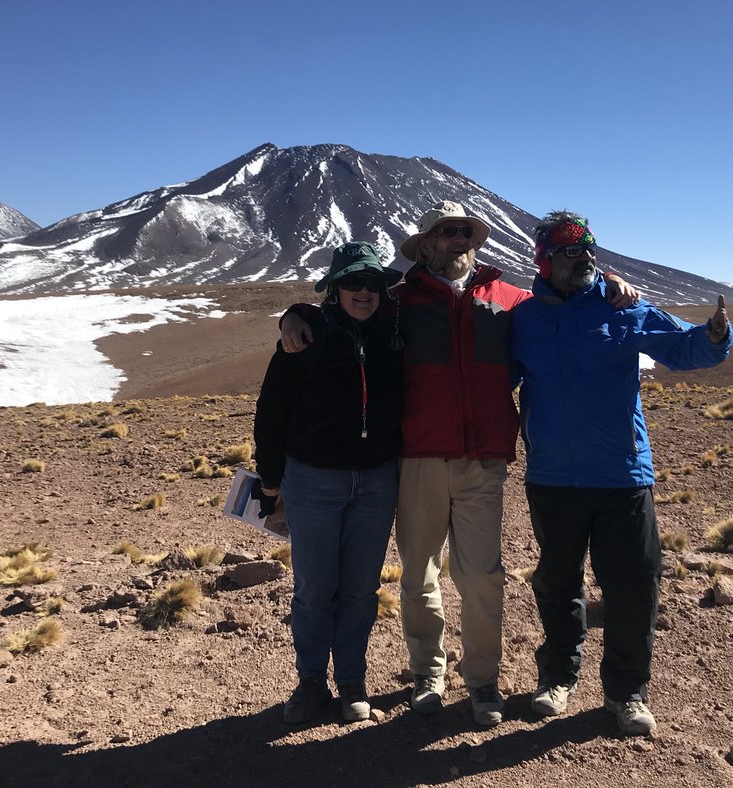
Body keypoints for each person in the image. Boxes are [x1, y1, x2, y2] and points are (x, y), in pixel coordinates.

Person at [280, 201, 639, 727]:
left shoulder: (509, 299)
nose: (458, 241)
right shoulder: (398, 302)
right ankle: (428, 675)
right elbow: (343, 313)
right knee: (418, 575)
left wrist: (603, 275)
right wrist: (299, 313)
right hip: (419, 457)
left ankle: (482, 681)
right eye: (447, 233)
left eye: (467, 233)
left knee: (482, 577)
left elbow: (562, 297)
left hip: (483, 460)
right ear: (426, 244)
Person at [510, 211, 732, 735]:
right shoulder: (525, 318)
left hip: (622, 474)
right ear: (544, 260)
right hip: (553, 477)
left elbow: (683, 348)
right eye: (568, 251)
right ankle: (558, 679)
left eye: (589, 248)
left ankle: (627, 691)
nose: (584, 257)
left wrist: (716, 333)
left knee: (633, 584)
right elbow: (489, 372)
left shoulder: (622, 306)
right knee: (559, 582)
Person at [254, 241, 405, 725]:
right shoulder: (305, 336)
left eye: (371, 283)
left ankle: (353, 682)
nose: (363, 292)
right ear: (334, 289)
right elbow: (271, 411)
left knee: (361, 590)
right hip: (314, 480)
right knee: (315, 589)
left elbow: (429, 280)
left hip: (378, 481)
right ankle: (311, 681)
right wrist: (271, 483)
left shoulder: (396, 330)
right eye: (351, 283)